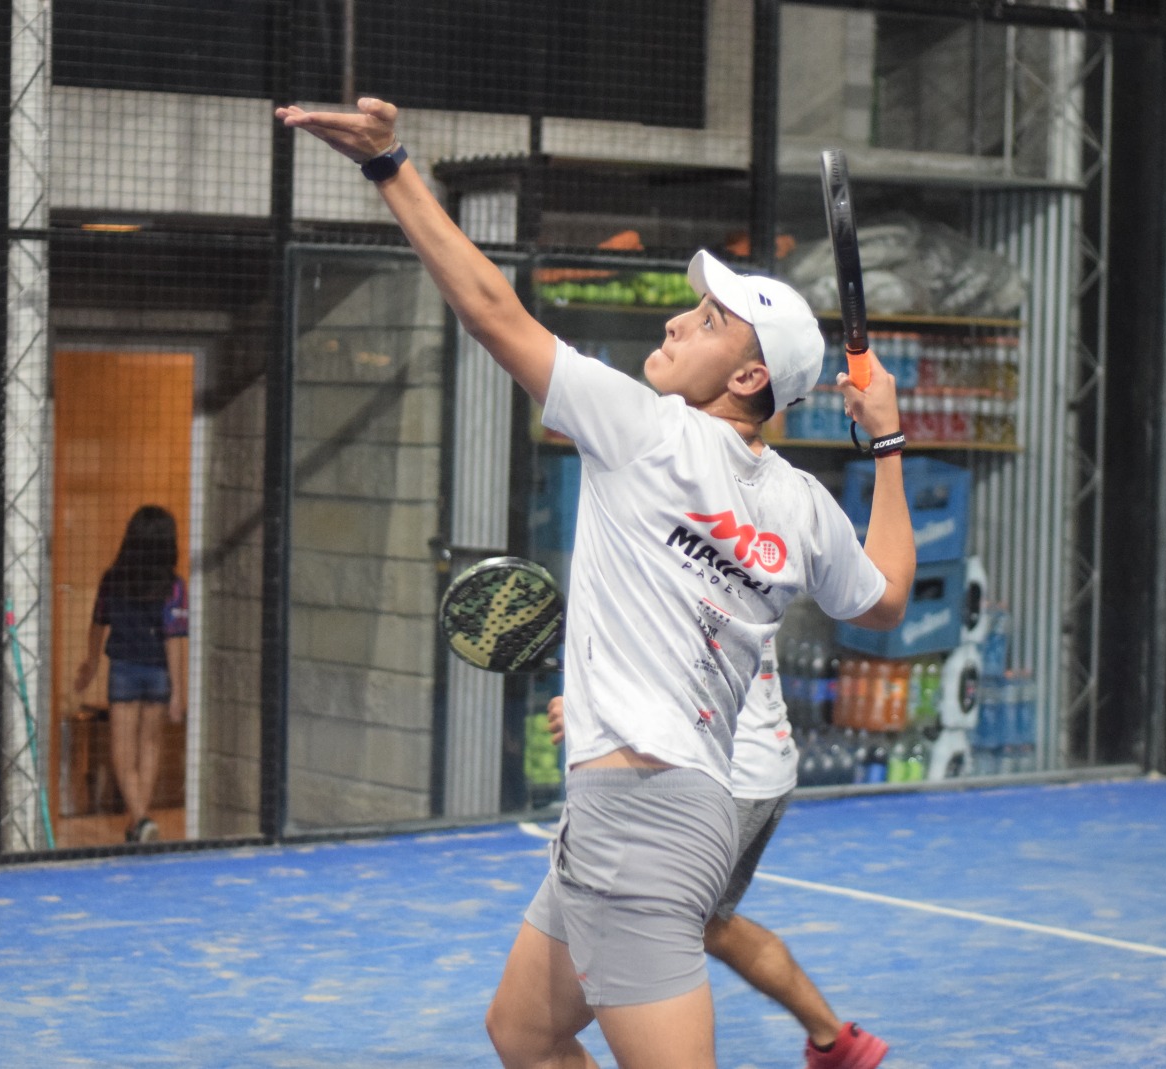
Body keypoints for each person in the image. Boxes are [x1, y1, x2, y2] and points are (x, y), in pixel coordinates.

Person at [277, 97, 915, 1069]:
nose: (676, 318)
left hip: (642, 820)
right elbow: (887, 598)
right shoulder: (802, 505)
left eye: (706, 320)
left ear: (748, 379)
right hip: (661, 810)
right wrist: (890, 442)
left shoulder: (646, 430)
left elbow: (492, 311)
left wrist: (390, 166)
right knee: (524, 1034)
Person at [546, 640, 889, 1069]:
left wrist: (592, 710)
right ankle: (836, 1044)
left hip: (721, 774)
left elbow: (678, 667)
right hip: (754, 762)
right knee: (708, 924)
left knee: (641, 934)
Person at [73, 505, 189, 843]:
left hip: (123, 667)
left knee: (121, 747)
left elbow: (98, 623)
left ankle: (139, 819)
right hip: (158, 670)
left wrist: (92, 663)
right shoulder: (174, 586)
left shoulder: (113, 580)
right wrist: (178, 692)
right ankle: (140, 820)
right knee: (150, 744)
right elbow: (174, 638)